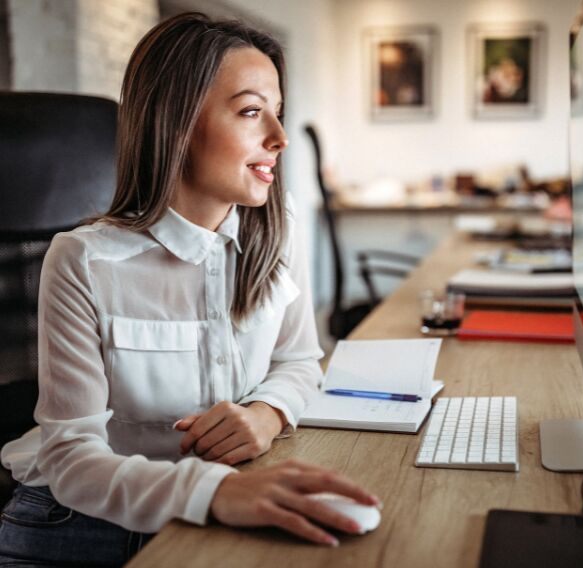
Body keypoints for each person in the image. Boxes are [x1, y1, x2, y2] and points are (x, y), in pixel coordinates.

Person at [0, 12, 379, 566]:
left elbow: (299, 360)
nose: (278, 138)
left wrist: (266, 415)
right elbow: (71, 459)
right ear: (175, 123)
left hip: (226, 502)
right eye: (252, 112)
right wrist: (216, 493)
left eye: (278, 113)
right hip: (79, 524)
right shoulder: (82, 260)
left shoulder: (281, 225)